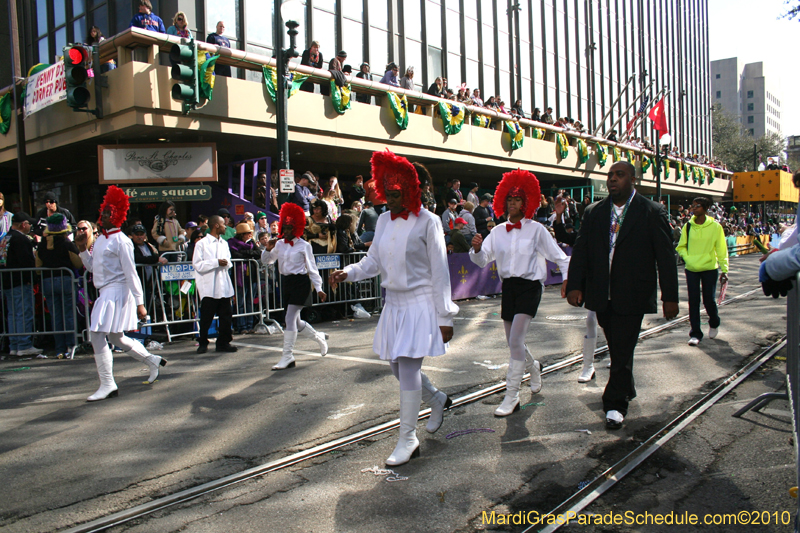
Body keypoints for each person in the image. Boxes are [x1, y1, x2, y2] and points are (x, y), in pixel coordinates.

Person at [329, 150, 458, 466]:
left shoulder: (429, 221)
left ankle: (408, 438)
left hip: (419, 303)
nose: (392, 199)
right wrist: (349, 273)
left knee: (410, 368)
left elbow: (440, 270)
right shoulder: (384, 219)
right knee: (396, 367)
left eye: (397, 193)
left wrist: (444, 316)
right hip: (394, 304)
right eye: (388, 193)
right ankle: (437, 398)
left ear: (411, 190)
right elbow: (373, 261)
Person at [566, 161, 679, 429]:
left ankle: (615, 404)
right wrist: (574, 284)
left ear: (633, 180)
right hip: (601, 293)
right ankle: (627, 386)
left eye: (620, 175)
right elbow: (581, 251)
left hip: (634, 292)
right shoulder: (594, 212)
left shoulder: (652, 211)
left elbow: (665, 257)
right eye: (610, 175)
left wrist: (670, 297)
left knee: (624, 344)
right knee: (617, 345)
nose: (613, 179)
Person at [469, 170, 571, 416]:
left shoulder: (537, 230)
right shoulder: (497, 231)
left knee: (515, 341)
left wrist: (568, 280)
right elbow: (483, 261)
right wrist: (476, 249)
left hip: (530, 287)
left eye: (517, 200)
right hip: (510, 288)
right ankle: (533, 366)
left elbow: (560, 257)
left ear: (527, 203)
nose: (512, 204)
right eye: (509, 200)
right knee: (514, 342)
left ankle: (511, 395)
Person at [76, 187, 167, 401]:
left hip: (117, 291)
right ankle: (151, 360)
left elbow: (131, 273)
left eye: (108, 213)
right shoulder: (100, 240)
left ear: (117, 216)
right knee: (116, 337)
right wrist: (82, 250)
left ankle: (108, 384)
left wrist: (140, 303)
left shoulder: (122, 241)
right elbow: (92, 268)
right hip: (105, 291)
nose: (103, 216)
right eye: (103, 212)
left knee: (97, 334)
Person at [262, 203, 328, 370]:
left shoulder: (304, 245)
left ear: (297, 227)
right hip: (286, 283)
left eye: (291, 227)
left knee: (289, 319)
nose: (287, 230)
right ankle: (319, 338)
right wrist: (266, 249)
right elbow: (267, 261)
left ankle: (287, 356)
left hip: (300, 283)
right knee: (296, 322)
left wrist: (319, 288)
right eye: (285, 226)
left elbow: (312, 269)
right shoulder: (279, 244)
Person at [675, 197, 729, 346]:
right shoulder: (688, 226)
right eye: (692, 206)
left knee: (708, 300)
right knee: (693, 301)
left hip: (709, 268)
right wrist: (688, 259)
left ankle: (714, 321)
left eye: (697, 206)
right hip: (692, 268)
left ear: (705, 208)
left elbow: (721, 249)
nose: (693, 208)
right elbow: (681, 246)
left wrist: (725, 269)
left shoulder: (716, 227)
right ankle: (695, 333)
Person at [36, 214, 83, 358]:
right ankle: (71, 345)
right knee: (68, 313)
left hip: (48, 282)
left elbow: (38, 267)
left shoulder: (42, 244)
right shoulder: (66, 243)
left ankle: (59, 349)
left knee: (56, 315)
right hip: (65, 280)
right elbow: (78, 263)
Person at [192, 215, 237, 354]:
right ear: (216, 225)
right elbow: (197, 264)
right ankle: (203, 342)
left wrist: (225, 263)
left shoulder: (224, 243)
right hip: (209, 286)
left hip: (223, 284)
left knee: (226, 316)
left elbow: (229, 261)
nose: (226, 227)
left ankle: (223, 342)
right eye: (223, 224)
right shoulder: (202, 244)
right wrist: (216, 262)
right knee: (206, 317)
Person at [2, 212, 41, 356]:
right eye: (29, 224)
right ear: (23, 224)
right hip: (20, 281)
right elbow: (27, 261)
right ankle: (23, 344)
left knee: (13, 314)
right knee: (23, 313)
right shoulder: (21, 239)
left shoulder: (7, 237)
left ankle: (15, 345)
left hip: (8, 281)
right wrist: (32, 278)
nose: (30, 226)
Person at [228, 223, 261, 334]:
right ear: (241, 235)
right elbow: (235, 255)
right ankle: (242, 326)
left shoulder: (251, 243)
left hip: (251, 275)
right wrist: (249, 255)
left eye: (250, 233)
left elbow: (258, 253)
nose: (250, 235)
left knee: (250, 301)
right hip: (239, 275)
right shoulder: (232, 243)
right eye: (247, 233)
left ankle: (250, 324)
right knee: (241, 301)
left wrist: (246, 253)